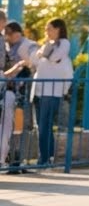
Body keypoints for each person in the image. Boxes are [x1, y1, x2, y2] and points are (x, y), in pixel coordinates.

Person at [29, 19, 72, 167]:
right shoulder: (48, 45)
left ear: (58, 29)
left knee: (44, 126)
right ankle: (49, 157)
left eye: (49, 29)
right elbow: (34, 60)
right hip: (40, 90)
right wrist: (43, 51)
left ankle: (44, 159)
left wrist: (43, 53)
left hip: (51, 91)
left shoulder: (63, 44)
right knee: (43, 126)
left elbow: (54, 57)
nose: (46, 32)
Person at [1, 22, 38, 175]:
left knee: (23, 127)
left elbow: (35, 63)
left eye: (8, 34)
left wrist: (24, 64)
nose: (6, 38)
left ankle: (20, 160)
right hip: (12, 92)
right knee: (12, 127)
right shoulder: (9, 47)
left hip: (23, 92)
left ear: (16, 34)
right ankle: (13, 160)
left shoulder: (29, 46)